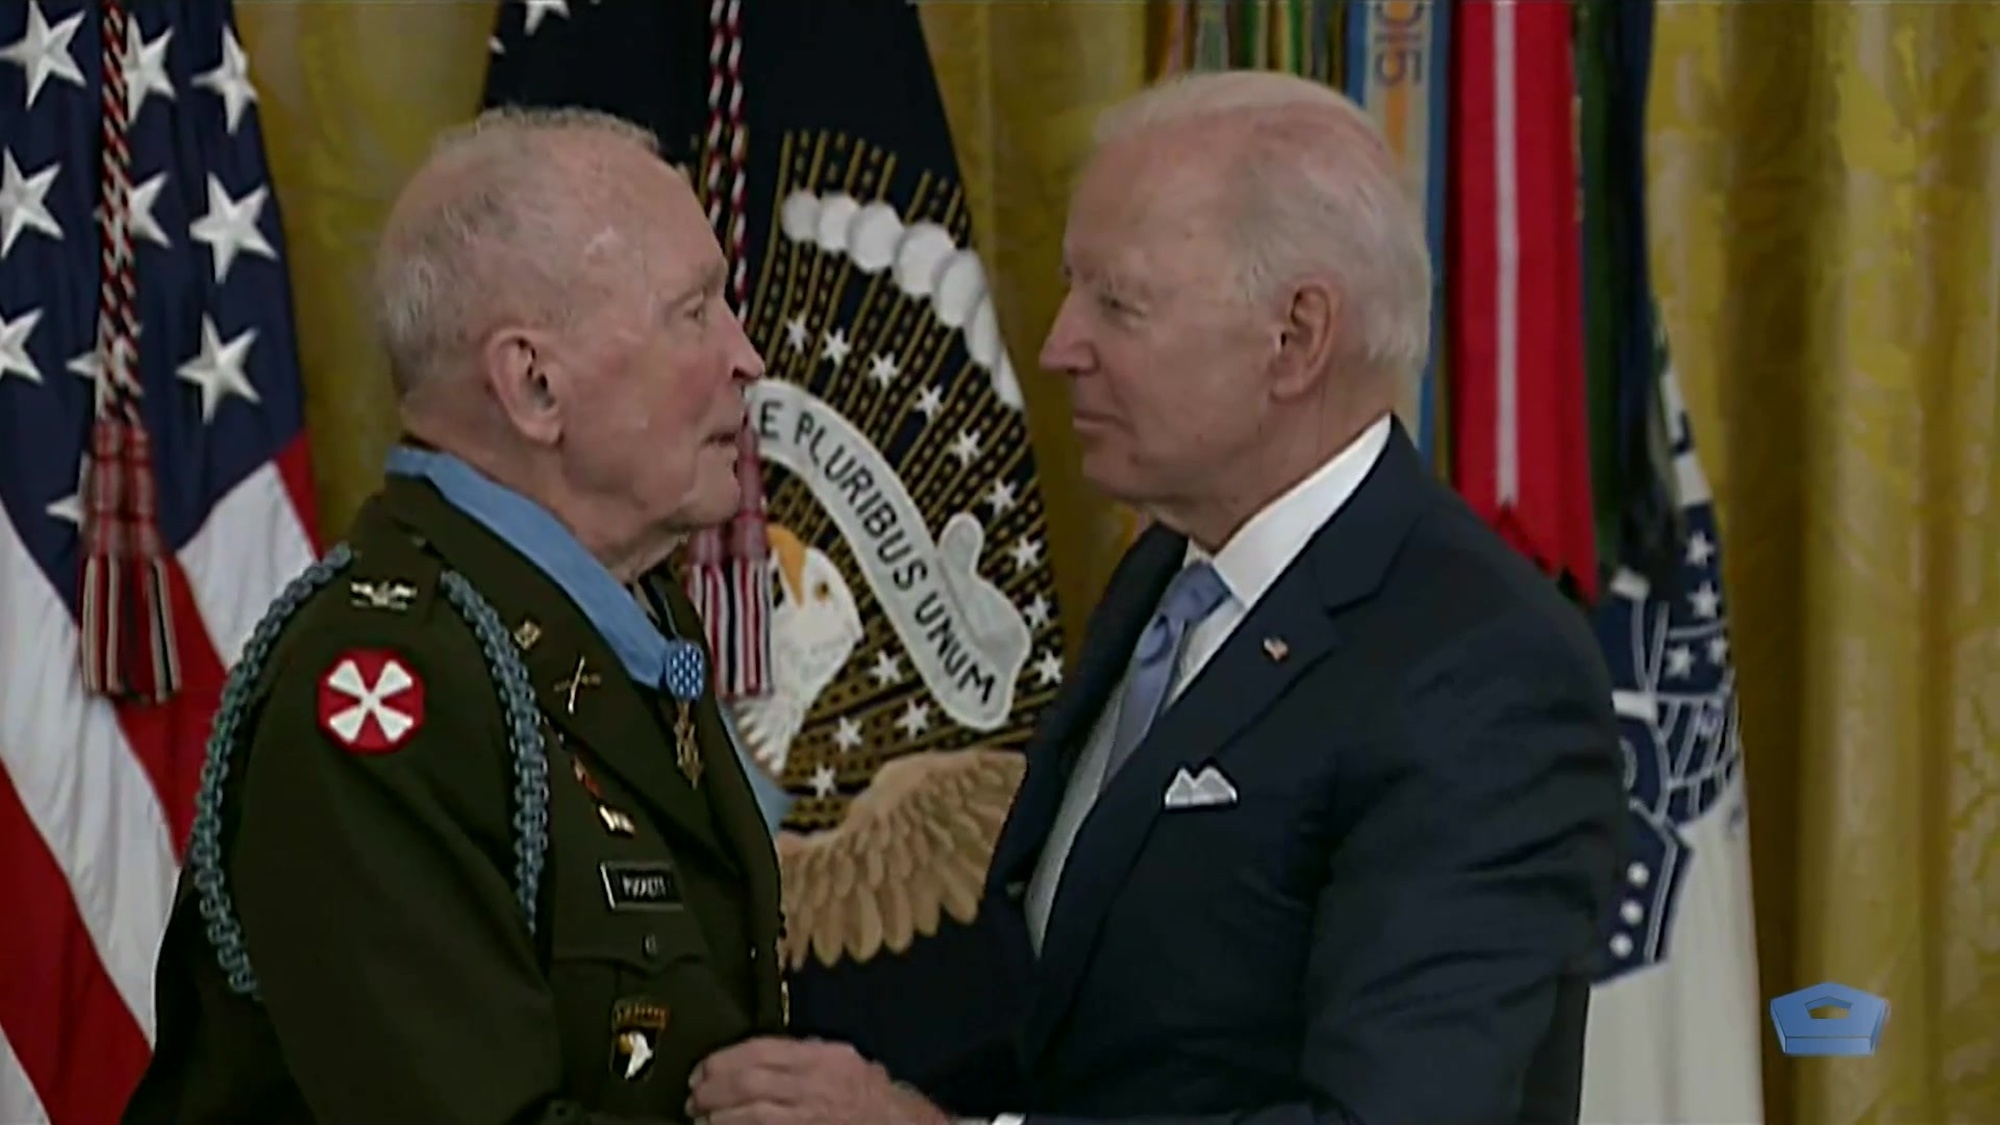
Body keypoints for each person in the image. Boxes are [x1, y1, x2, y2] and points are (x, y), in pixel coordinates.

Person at [687, 71, 1626, 1125]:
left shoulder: (1478, 671)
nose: (1058, 345)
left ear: (1295, 337)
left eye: (1117, 304)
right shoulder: (1169, 570)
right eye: (1070, 287)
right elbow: (1094, 1042)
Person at [123, 106, 791, 1124]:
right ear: (532, 385)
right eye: (692, 312)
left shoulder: (626, 615)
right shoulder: (382, 692)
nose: (745, 356)